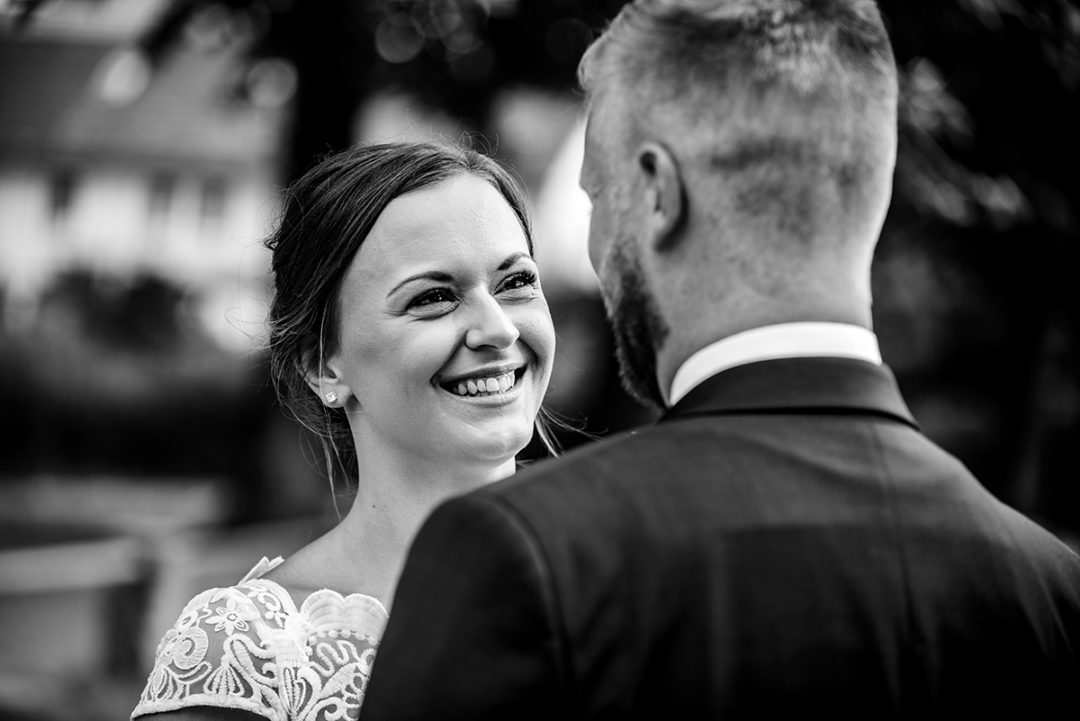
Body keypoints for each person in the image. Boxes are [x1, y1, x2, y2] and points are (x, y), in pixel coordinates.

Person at [359, 1, 1080, 718]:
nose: (593, 245)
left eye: (597, 195)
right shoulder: (1048, 588)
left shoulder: (523, 552)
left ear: (657, 191)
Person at [131, 141, 556, 720]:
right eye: (433, 298)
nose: (498, 329)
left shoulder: (636, 583)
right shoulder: (252, 653)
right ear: (323, 363)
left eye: (516, 282)